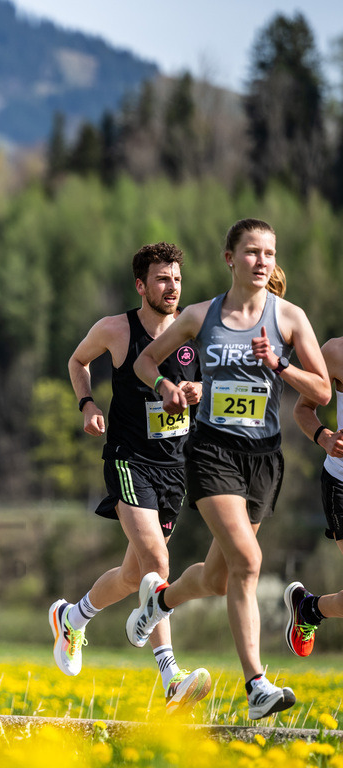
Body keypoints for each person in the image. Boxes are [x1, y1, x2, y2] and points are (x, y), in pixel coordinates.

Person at [129, 218, 331, 720]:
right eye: (251, 252)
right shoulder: (200, 316)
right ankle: (257, 684)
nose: (262, 262)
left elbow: (323, 391)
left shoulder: (289, 319)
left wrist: (280, 366)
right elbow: (145, 361)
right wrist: (167, 388)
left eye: (269, 253)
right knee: (249, 560)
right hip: (211, 452)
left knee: (221, 578)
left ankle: (160, 601)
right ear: (230, 258)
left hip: (263, 459)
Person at [54, 242, 211, 715]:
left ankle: (72, 617)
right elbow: (76, 362)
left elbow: (210, 383)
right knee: (157, 560)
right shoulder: (116, 329)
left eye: (177, 279)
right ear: (141, 285)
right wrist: (87, 404)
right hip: (127, 459)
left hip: (173, 467)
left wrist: (197, 390)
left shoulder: (193, 331)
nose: (172, 287)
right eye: (163, 279)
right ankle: (171, 677)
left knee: (131, 574)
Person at [284, 335, 343, 656]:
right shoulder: (335, 352)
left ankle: (310, 609)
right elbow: (303, 409)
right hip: (341, 481)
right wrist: (324, 437)